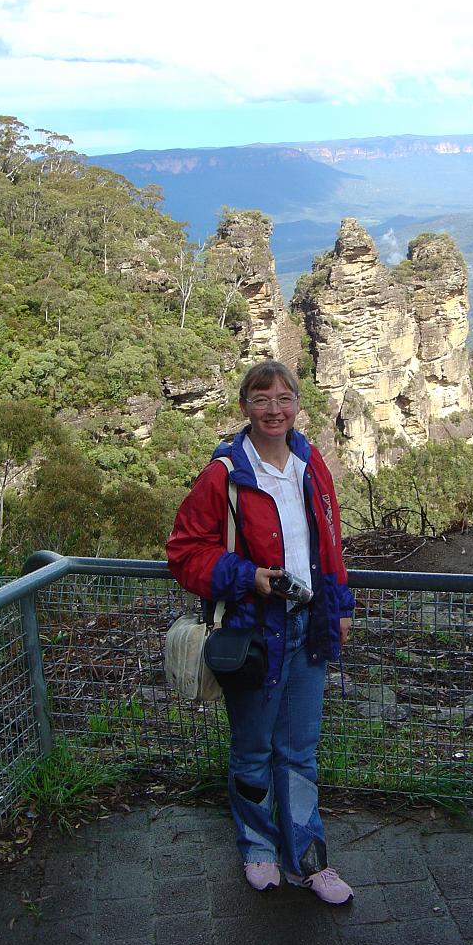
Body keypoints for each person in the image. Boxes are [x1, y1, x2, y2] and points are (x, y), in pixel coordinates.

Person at [166, 360, 355, 904]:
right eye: (262, 399)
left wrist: (339, 606)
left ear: (298, 404)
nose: (275, 409)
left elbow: (331, 546)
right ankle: (257, 848)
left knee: (300, 751)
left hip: (309, 626)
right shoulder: (225, 474)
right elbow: (184, 552)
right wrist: (248, 577)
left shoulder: (310, 462)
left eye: (284, 398)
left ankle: (308, 858)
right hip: (254, 632)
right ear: (245, 406)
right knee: (253, 750)